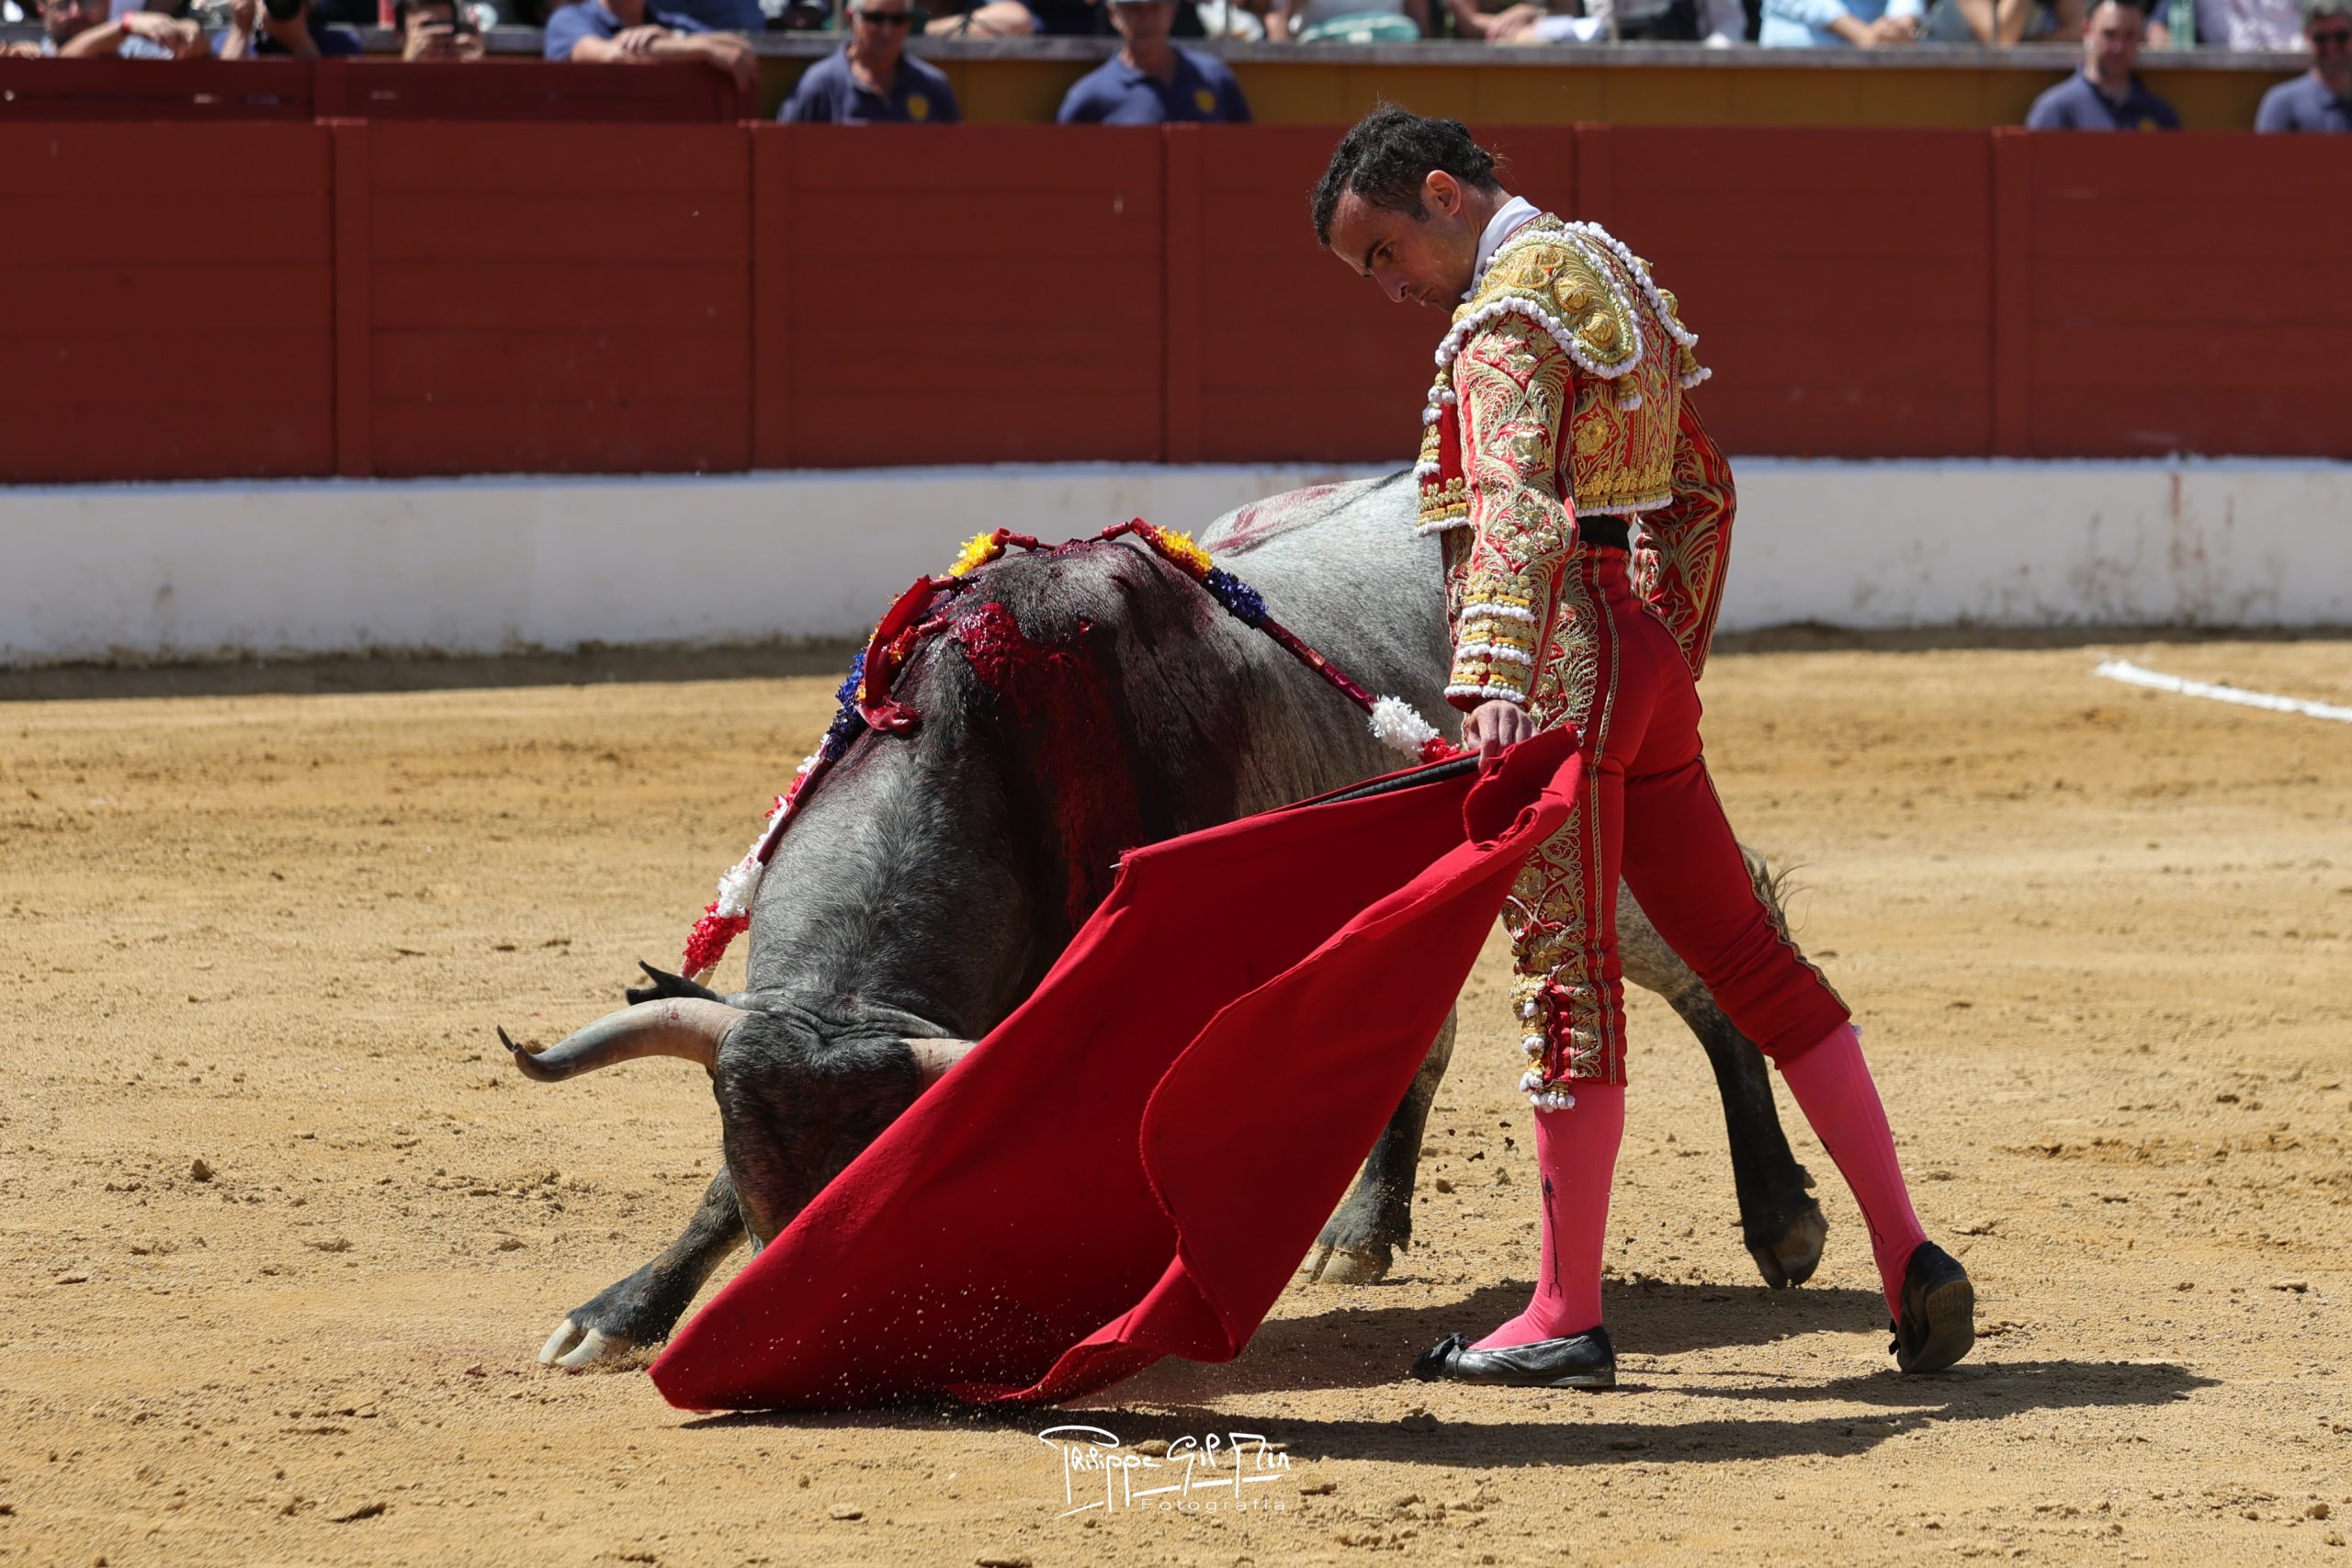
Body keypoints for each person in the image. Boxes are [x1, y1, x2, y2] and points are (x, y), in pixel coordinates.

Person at [1309, 107, 1974, 1391]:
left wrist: (1497, 676)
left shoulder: (1504, 317)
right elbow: (1704, 489)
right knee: (1752, 960)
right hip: (1638, 652)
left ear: (1444, 195)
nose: (1392, 289)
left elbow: (1513, 505)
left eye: (1387, 252)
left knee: (1566, 975)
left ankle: (1563, 1306)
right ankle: (1907, 1250)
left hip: (1561, 663)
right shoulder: (1613, 274)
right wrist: (1659, 653)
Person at [1057, 0, 1250, 122]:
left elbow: (1247, 158)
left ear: (1173, 10)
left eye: (1155, 8)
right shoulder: (1090, 96)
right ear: (1114, 15)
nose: (1146, 20)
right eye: (1135, 10)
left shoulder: (1216, 79)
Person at [780, 0, 961, 121]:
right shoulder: (819, 86)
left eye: (898, 20)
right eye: (875, 18)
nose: (887, 31)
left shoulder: (933, 86)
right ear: (851, 18)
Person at [543, 0, 757, 94]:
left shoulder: (667, 25)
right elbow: (614, 56)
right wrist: (696, 47)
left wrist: (675, 39)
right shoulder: (569, 18)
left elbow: (738, 47)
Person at [2025, 0, 2180, 129]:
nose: (2119, 47)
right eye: (2109, 34)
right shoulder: (2057, 111)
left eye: (2129, 36)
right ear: (2087, 31)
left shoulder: (2159, 115)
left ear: (2141, 38)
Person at [2256, 0, 2351, 130]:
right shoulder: (2283, 104)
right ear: (2307, 37)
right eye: (2320, 38)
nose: (2331, 46)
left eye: (2341, 36)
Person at [38, 0, 207, 54]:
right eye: (62, 5)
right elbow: (63, 62)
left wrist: (187, 32)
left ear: (107, 3)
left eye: (86, 2)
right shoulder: (34, 55)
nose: (76, 13)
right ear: (42, 10)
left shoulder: (131, 48)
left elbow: (191, 54)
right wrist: (126, 24)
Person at [216, 0, 364, 55]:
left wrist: (300, 43)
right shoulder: (225, 44)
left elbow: (337, 115)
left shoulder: (341, 46)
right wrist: (239, 34)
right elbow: (213, 109)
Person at [1760, 0, 1924, 46]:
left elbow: (1904, 8)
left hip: (1878, 75)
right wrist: (1861, 33)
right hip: (1792, 72)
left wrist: (1902, 26)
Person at [395, 0, 488, 59]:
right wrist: (408, 65)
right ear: (400, 37)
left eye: (445, 27)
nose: (437, 40)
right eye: (425, 27)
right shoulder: (386, 82)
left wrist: (477, 72)